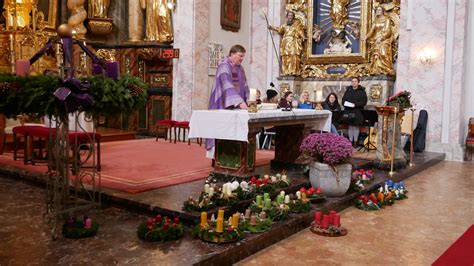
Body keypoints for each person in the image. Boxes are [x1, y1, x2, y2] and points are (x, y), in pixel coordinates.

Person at [206, 45, 250, 158]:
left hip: (236, 106)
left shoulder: (240, 68)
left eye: (243, 56)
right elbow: (227, 85)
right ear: (232, 54)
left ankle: (235, 156)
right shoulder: (223, 66)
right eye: (240, 56)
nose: (241, 59)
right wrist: (239, 102)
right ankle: (219, 157)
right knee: (221, 130)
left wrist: (249, 100)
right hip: (222, 104)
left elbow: (245, 86)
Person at [268, 11, 305, 76]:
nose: (290, 17)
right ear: (287, 17)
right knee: (285, 56)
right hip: (285, 43)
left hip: (293, 41)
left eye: (291, 16)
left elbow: (300, 31)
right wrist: (272, 28)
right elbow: (279, 29)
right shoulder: (284, 25)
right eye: (289, 15)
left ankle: (294, 71)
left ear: (293, 17)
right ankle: (286, 71)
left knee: (293, 56)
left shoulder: (297, 25)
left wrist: (303, 36)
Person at [366, 6, 396, 75]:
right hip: (376, 40)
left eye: (380, 10)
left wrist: (381, 38)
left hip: (384, 39)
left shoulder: (387, 19)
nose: (378, 11)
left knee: (383, 53)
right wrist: (366, 37)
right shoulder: (376, 20)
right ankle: (376, 69)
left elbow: (388, 31)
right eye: (377, 10)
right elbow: (371, 31)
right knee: (375, 55)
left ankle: (386, 68)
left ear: (383, 11)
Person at [342, 77, 367, 147]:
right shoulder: (348, 90)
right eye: (352, 81)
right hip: (348, 110)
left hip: (357, 111)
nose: (354, 82)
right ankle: (350, 141)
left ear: (358, 82)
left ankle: (355, 142)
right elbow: (343, 100)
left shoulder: (362, 91)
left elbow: (364, 102)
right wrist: (346, 104)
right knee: (350, 126)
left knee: (355, 126)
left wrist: (354, 105)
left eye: (355, 81)